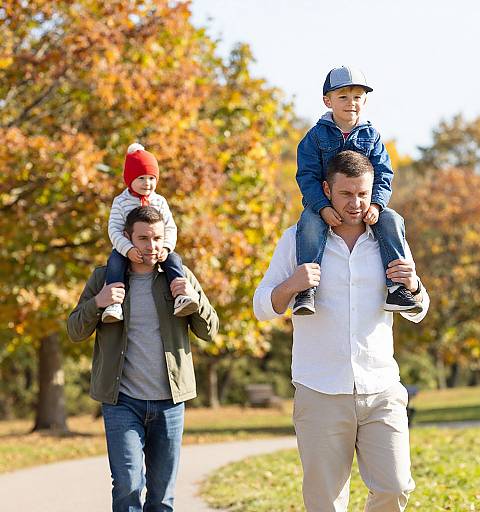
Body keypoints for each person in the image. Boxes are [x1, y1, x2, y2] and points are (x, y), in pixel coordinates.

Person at [254, 151, 430, 512]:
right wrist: (292, 284)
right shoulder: (297, 240)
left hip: (380, 388)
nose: (356, 203)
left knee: (395, 487)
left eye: (363, 194)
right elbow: (261, 307)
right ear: (326, 190)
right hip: (320, 391)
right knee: (325, 502)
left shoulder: (388, 239)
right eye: (347, 194)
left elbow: (418, 311)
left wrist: (413, 284)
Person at [67, 206, 219, 512]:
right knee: (127, 485)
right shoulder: (104, 278)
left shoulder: (178, 276)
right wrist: (99, 302)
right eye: (143, 238)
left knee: (162, 497)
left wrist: (194, 297)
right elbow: (74, 330)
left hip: (170, 403)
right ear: (127, 239)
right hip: (122, 401)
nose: (151, 247)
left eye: (157, 238)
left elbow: (210, 330)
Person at [294, 65, 419, 315]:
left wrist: (376, 205)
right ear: (327, 101)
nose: (351, 103)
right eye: (343, 97)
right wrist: (322, 207)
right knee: (308, 223)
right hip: (324, 204)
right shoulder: (315, 137)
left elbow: (383, 174)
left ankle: (397, 288)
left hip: (365, 205)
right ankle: (306, 290)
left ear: (365, 101)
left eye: (357, 97)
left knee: (392, 220)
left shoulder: (371, 136)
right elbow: (306, 176)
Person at [102, 142, 198, 323]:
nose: (148, 183)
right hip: (126, 247)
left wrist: (166, 247)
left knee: (174, 260)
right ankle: (114, 303)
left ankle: (180, 296)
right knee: (115, 262)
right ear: (130, 179)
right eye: (141, 178)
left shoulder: (159, 201)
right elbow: (114, 229)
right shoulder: (121, 202)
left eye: (152, 178)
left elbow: (170, 227)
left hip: (158, 250)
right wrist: (128, 249)